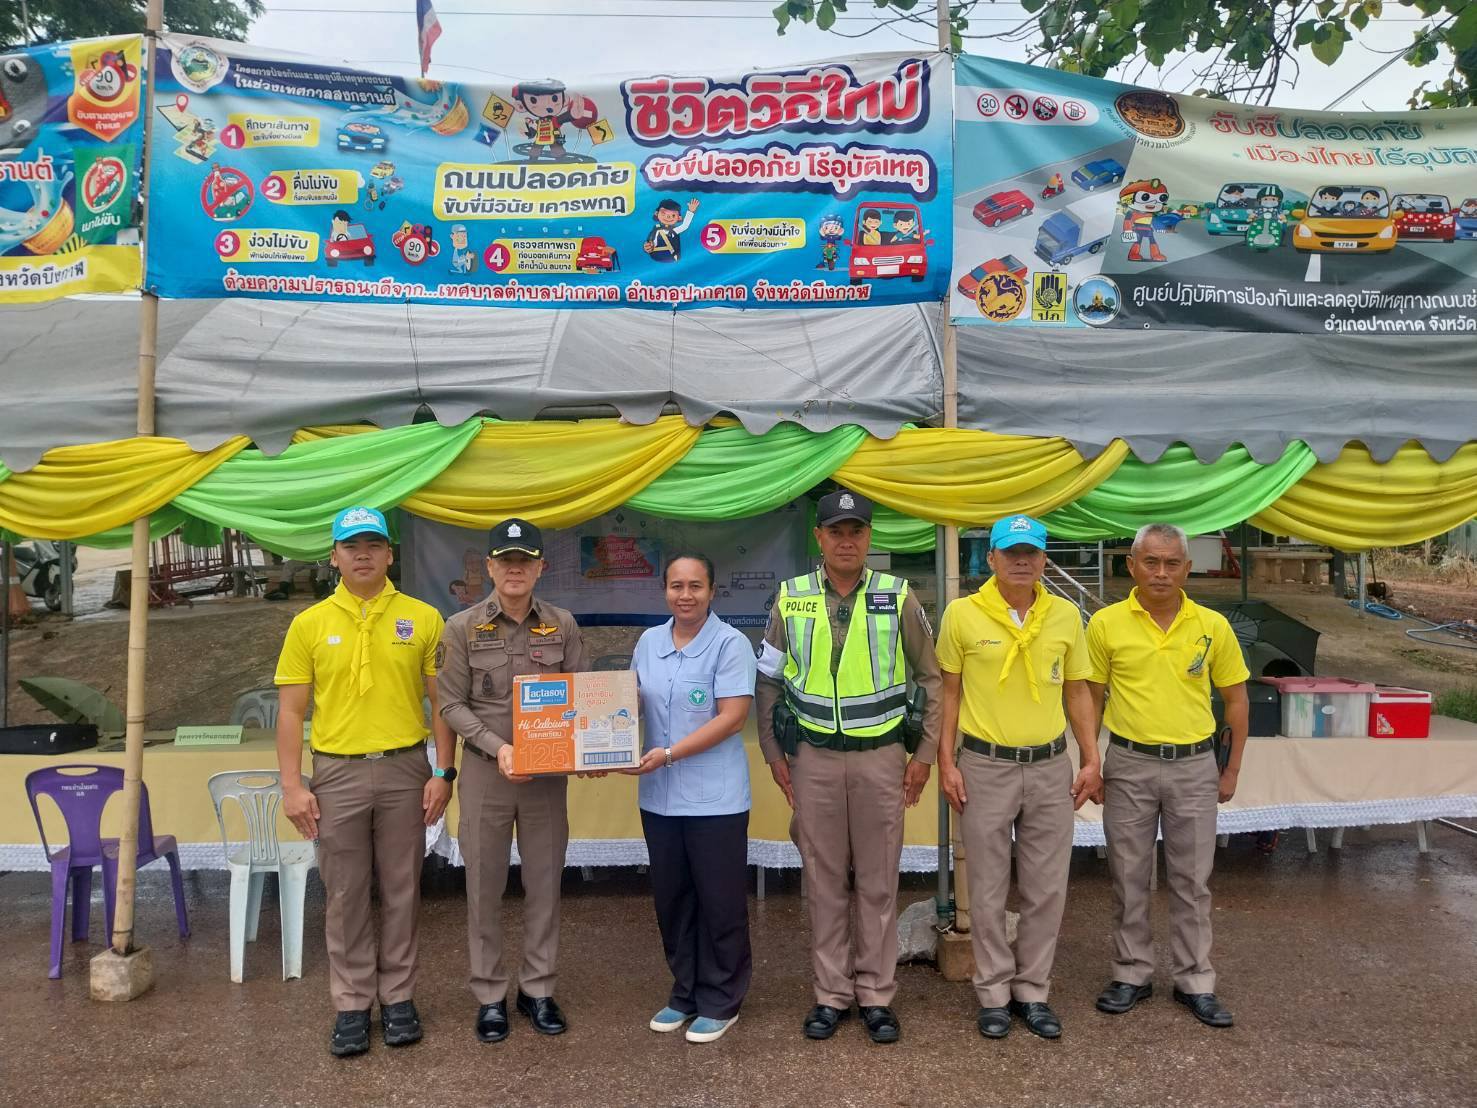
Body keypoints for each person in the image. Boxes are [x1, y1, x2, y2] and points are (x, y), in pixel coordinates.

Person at [755, 488, 942, 1044]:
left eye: (855, 530)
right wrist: (773, 753)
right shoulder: (790, 598)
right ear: (819, 537)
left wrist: (924, 755)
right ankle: (832, 995)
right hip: (812, 758)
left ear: (868, 536)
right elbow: (768, 681)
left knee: (879, 881)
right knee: (824, 881)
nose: (846, 540)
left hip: (881, 759)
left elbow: (931, 679)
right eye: (835, 531)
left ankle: (876, 995)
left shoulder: (898, 596)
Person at [274, 506, 455, 1058]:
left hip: (406, 768)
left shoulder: (423, 617)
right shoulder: (308, 624)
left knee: (402, 888)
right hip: (336, 773)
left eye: (374, 545)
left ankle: (398, 997)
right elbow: (291, 713)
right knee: (345, 892)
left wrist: (443, 772)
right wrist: (292, 786)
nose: (363, 555)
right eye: (351, 546)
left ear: (390, 554)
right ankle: (352, 1003)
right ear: (333, 556)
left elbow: (442, 703)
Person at [936, 515, 1101, 1041]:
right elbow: (948, 693)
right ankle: (992, 992)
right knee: (986, 888)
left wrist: (1091, 757)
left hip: (1050, 765)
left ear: (1044, 559)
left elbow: (1077, 690)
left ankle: (1032, 990)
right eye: (1011, 552)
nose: (1022, 561)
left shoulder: (1065, 615)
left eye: (1031, 552)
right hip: (985, 765)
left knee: (1046, 888)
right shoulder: (962, 614)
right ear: (991, 558)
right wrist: (946, 761)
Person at [1087, 522, 1249, 1029]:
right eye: (1151, 562)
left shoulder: (1212, 626)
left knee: (1192, 879)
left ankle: (1195, 980)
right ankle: (1131, 972)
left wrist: (1231, 769)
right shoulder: (1105, 624)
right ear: (1131, 565)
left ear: (1187, 567)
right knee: (1128, 876)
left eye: (1172, 563)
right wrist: (1091, 761)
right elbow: (1091, 697)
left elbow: (1236, 699)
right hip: (1128, 764)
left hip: (1195, 766)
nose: (1161, 572)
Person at [439, 518, 589, 1043]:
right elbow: (450, 704)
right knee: (484, 886)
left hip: (546, 777)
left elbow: (583, 695)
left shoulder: (563, 624)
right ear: (490, 567)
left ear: (541, 567)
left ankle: (538, 989)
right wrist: (498, 746)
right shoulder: (461, 627)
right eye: (506, 560)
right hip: (487, 774)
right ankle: (489, 995)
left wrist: (594, 742)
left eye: (525, 560)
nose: (515, 569)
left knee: (545, 883)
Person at [626, 553, 756, 1044]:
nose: (686, 595)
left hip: (714, 802)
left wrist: (669, 754)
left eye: (695, 586)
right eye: (676, 586)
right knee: (673, 900)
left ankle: (722, 998)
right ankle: (684, 992)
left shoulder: (729, 644)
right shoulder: (649, 642)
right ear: (665, 590)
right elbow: (630, 703)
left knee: (720, 902)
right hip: (659, 800)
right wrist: (598, 738)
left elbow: (732, 717)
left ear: (712, 591)